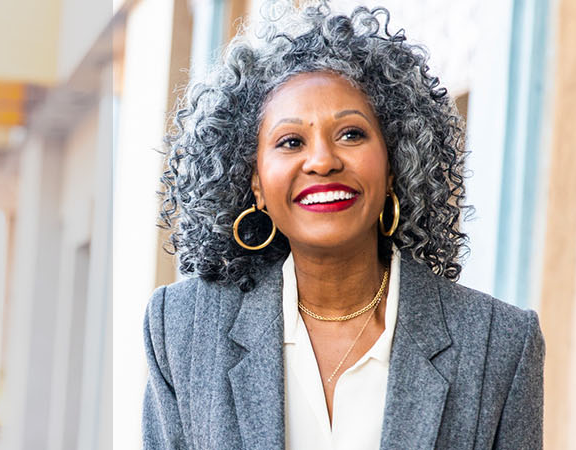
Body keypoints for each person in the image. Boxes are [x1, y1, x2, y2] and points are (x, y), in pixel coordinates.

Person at [142, 3, 544, 449]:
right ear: (253, 182)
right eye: (291, 141)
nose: (322, 161)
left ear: (395, 163)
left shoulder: (498, 343)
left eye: (351, 134)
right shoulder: (182, 329)